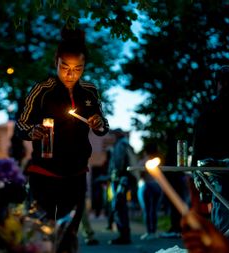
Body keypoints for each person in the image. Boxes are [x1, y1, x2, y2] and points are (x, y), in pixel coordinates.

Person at [16, 27, 109, 253]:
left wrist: (98, 123)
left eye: (78, 69)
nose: (71, 74)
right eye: (65, 68)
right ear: (56, 62)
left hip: (76, 175)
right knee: (42, 234)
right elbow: (21, 125)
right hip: (44, 174)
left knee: (69, 235)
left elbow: (103, 126)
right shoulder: (42, 89)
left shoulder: (89, 91)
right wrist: (32, 131)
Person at [192, 65, 229, 245]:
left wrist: (198, 174)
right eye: (224, 81)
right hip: (227, 179)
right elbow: (199, 149)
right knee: (225, 227)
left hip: (227, 179)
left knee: (225, 228)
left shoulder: (209, 111)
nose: (227, 85)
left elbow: (198, 150)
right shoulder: (209, 112)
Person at [107, 129, 138, 244]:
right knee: (120, 206)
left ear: (118, 134)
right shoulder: (124, 144)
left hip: (120, 179)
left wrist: (115, 175)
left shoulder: (121, 144)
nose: (111, 137)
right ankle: (124, 234)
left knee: (119, 206)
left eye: (113, 135)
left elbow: (118, 163)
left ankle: (124, 235)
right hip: (123, 179)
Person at [137, 142, 162, 240]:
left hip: (146, 186)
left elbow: (140, 174)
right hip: (157, 186)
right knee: (154, 210)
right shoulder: (159, 160)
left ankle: (149, 231)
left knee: (147, 210)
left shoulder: (145, 160)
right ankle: (154, 231)